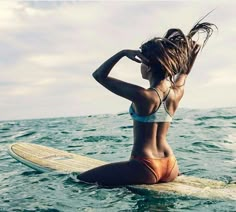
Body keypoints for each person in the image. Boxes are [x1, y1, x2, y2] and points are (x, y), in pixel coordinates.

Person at [78, 21, 216, 186]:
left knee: (80, 180)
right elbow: (184, 73)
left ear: (149, 67)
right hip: (170, 165)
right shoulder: (176, 92)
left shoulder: (143, 96)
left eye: (143, 63)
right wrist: (191, 56)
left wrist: (122, 53)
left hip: (145, 166)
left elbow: (99, 75)